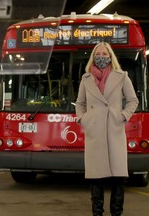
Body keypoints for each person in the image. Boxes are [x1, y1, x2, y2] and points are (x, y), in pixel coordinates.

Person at [75, 42, 139, 216]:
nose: (101, 57)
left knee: (118, 178)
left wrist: (122, 116)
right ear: (93, 57)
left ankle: (116, 214)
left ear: (110, 57)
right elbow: (80, 103)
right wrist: (83, 119)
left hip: (115, 131)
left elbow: (133, 100)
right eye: (98, 54)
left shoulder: (121, 76)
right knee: (96, 178)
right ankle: (98, 214)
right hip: (94, 133)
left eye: (105, 54)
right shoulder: (86, 78)